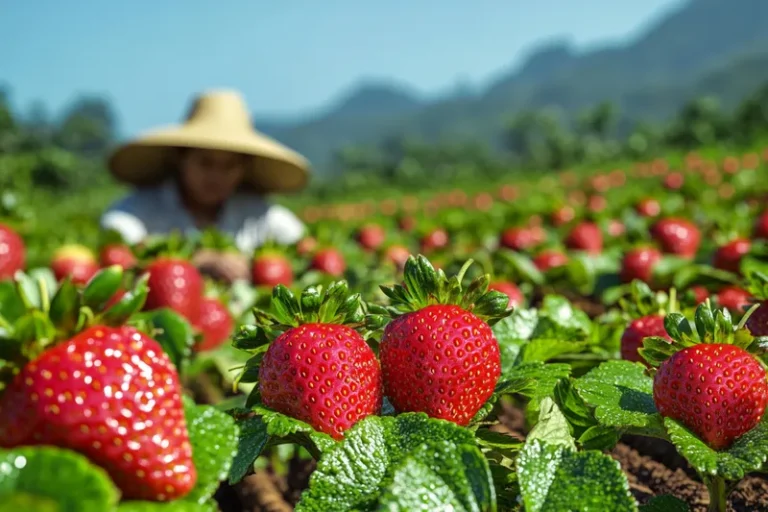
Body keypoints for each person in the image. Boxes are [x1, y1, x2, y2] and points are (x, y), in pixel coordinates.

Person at [101, 89, 310, 282]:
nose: (216, 175)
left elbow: (304, 245)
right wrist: (195, 260)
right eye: (205, 162)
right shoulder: (142, 208)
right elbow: (117, 236)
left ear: (243, 169)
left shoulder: (258, 214)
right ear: (181, 159)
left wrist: (260, 266)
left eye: (230, 165)